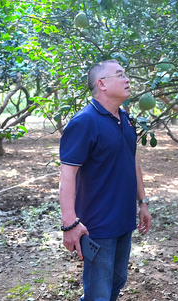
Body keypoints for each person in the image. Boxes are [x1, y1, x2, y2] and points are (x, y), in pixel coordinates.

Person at [59, 60, 152, 301]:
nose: (127, 79)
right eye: (120, 75)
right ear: (101, 83)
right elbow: (67, 174)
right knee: (97, 292)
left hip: (124, 219)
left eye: (126, 75)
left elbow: (132, 160)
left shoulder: (125, 119)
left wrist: (143, 202)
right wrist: (69, 224)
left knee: (117, 281)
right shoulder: (84, 122)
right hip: (97, 226)